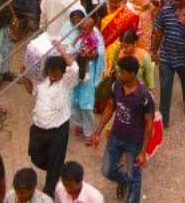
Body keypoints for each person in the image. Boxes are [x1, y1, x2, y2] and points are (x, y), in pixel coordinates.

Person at [91, 55, 155, 203]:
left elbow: (149, 123)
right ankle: (124, 181)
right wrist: (97, 132)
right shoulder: (117, 86)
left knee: (135, 176)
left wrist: (143, 151)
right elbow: (110, 108)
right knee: (107, 170)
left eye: (123, 72)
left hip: (134, 142)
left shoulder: (144, 96)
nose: (119, 74)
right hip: (115, 137)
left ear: (132, 74)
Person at [23, 44, 78, 195]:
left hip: (57, 130)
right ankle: (57, 168)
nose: (53, 75)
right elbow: (31, 91)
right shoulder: (42, 82)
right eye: (51, 72)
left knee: (54, 162)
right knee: (35, 156)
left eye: (57, 72)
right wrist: (24, 76)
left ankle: (50, 189)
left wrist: (60, 49)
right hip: (38, 128)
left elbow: (74, 68)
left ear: (62, 72)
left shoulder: (66, 83)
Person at [63, 11, 105, 139]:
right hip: (77, 69)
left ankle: (89, 131)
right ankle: (79, 123)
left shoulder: (95, 35)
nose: (78, 27)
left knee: (86, 103)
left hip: (88, 72)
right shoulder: (77, 32)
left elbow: (99, 52)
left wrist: (89, 55)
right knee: (74, 100)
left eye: (79, 24)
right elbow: (72, 46)